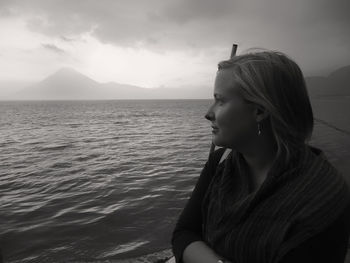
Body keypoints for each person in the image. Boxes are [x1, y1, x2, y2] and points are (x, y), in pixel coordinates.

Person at [171, 49, 350, 263]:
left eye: (220, 101)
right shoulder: (221, 161)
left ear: (259, 111)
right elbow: (183, 233)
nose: (208, 113)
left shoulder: (321, 200)